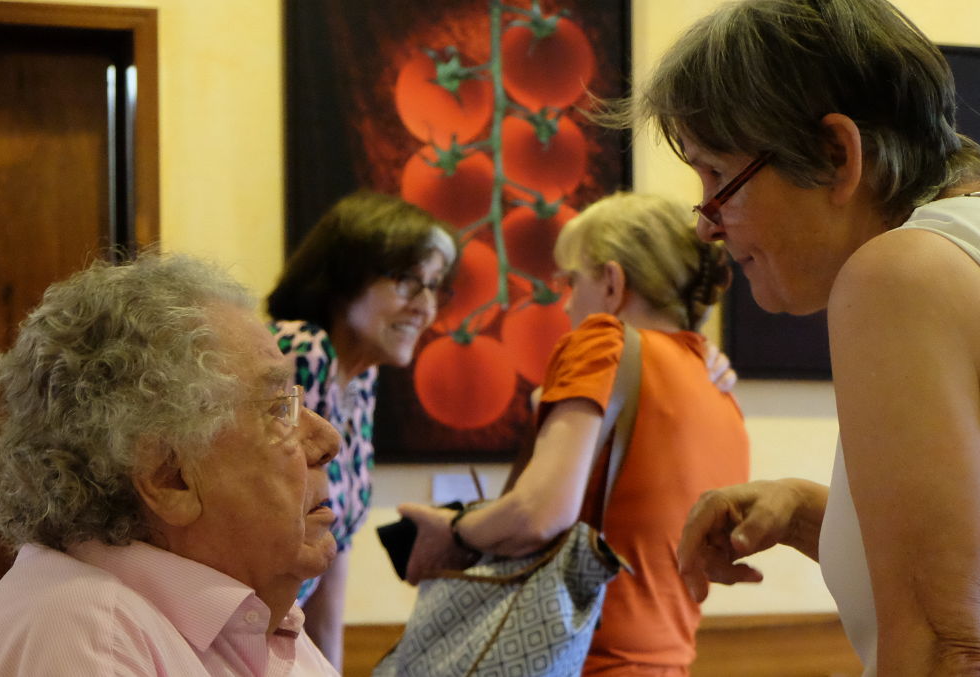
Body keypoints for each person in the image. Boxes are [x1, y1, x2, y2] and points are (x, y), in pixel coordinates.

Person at [626, 1, 980, 674]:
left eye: (716, 177)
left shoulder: (901, 272)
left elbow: (951, 647)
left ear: (835, 155)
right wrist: (807, 515)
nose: (705, 225)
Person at [399, 191, 750, 676]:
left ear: (612, 282)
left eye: (571, 282)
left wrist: (454, 530)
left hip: (581, 661)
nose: (565, 308)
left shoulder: (600, 340)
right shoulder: (720, 392)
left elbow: (539, 513)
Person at [0, 253, 342, 676]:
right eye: (280, 408)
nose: (328, 440)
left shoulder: (249, 621)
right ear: (170, 477)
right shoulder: (94, 635)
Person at [266, 190, 458, 668]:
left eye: (435, 286)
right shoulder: (301, 350)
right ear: (344, 277)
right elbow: (265, 542)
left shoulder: (359, 376)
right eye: (408, 280)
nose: (425, 306)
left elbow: (332, 553)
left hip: (281, 636)